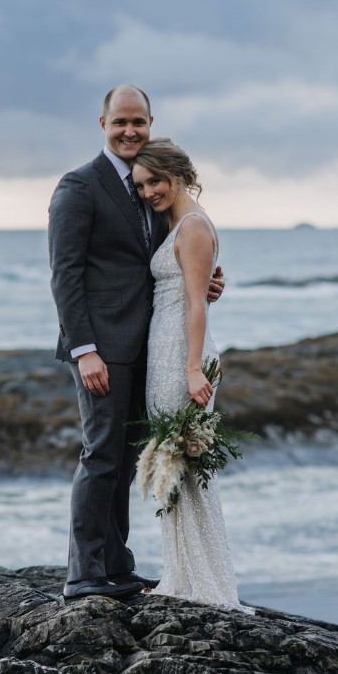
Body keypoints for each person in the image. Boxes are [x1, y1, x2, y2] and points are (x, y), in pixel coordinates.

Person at [48, 85, 223, 601]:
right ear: (102, 123)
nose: (129, 131)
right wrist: (84, 350)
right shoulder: (79, 186)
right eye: (120, 121)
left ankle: (117, 566)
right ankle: (83, 574)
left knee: (125, 461)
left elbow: (166, 261)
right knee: (100, 455)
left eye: (138, 122)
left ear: (150, 123)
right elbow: (65, 274)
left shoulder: (148, 188)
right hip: (102, 349)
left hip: (149, 344)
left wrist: (204, 281)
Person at [132, 138, 241, 610]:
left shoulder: (193, 227)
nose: (147, 191)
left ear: (177, 177)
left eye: (154, 181)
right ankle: (182, 573)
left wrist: (194, 369)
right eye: (139, 185)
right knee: (172, 467)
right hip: (165, 354)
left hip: (183, 358)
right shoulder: (175, 224)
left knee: (188, 467)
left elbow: (198, 302)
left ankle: (206, 584)